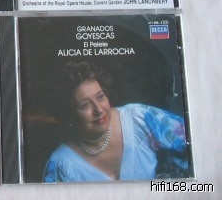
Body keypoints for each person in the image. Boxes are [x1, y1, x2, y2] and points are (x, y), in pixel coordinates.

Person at [43, 61, 188, 182]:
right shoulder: (61, 165)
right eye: (85, 105)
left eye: (100, 97)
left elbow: (194, 143)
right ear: (69, 114)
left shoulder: (139, 118)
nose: (99, 109)